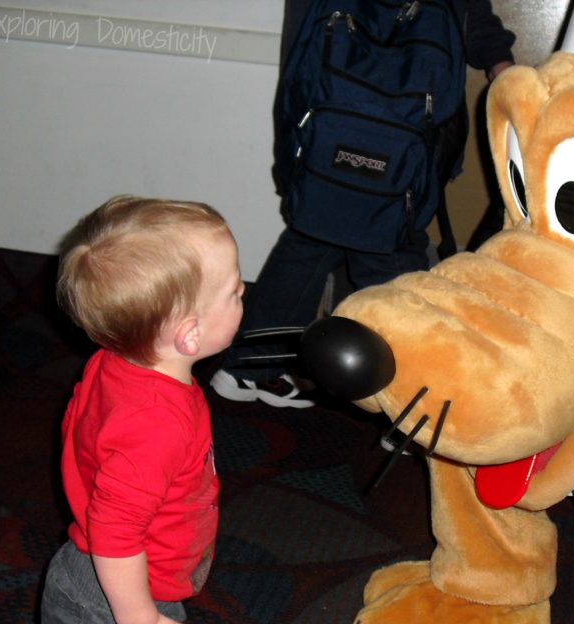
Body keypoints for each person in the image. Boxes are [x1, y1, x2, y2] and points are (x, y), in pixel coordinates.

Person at [210, 0, 516, 408]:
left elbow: (300, 59)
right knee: (390, 261)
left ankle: (251, 368)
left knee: (312, 236)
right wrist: (502, 66)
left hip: (331, 131)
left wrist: (292, 159)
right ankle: (406, 402)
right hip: (401, 144)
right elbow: (469, 17)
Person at [40, 196, 244, 624]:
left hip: (109, 585)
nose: (243, 292)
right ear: (187, 336)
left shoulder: (115, 357)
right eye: (232, 290)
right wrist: (142, 623)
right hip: (115, 604)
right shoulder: (157, 422)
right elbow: (115, 533)